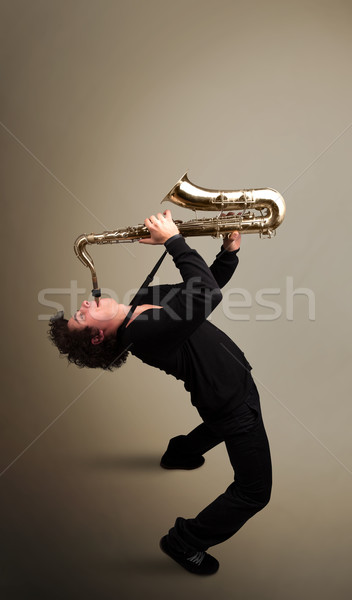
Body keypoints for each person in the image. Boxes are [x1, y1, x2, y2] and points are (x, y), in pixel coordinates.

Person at [49, 209, 272, 576]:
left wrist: (228, 252)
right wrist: (173, 240)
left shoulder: (140, 301)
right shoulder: (141, 334)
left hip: (223, 391)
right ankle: (185, 541)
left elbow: (200, 289)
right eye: (82, 315)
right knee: (254, 492)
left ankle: (179, 452)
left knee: (217, 425)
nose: (85, 303)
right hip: (231, 399)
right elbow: (205, 295)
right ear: (97, 336)